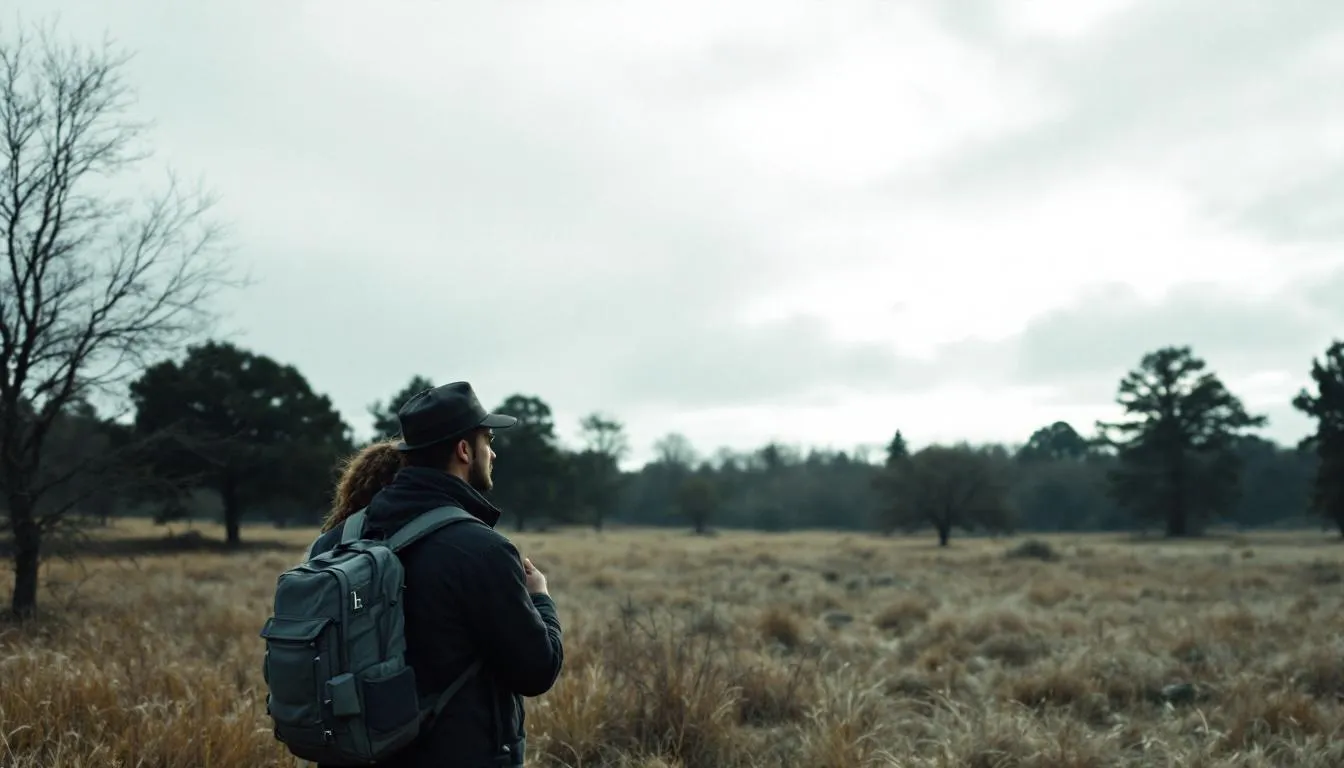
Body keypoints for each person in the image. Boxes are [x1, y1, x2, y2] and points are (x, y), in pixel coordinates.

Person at [308, 381, 564, 768]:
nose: (493, 453)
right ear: (464, 450)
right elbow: (537, 672)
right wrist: (540, 598)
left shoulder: (334, 541)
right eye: (488, 440)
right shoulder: (481, 550)